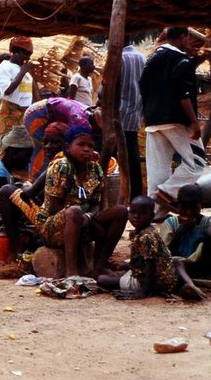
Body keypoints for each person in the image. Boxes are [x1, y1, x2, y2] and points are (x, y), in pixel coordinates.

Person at [34, 125, 127, 277]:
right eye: (81, 144)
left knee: (121, 212)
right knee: (74, 211)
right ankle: (72, 272)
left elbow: (96, 204)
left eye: (90, 146)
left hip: (84, 218)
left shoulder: (95, 169)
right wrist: (80, 217)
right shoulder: (61, 167)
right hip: (53, 226)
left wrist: (89, 217)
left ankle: (99, 266)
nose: (87, 149)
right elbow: (54, 208)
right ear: (68, 147)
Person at [140, 27, 207, 211]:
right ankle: (168, 193)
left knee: (158, 170)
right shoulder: (181, 60)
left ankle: (154, 215)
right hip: (175, 120)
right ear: (184, 37)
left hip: (153, 120)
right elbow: (182, 94)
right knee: (197, 162)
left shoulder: (152, 59)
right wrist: (194, 122)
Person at [97, 196, 177, 298]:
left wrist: (144, 292)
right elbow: (145, 260)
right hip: (159, 278)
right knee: (114, 275)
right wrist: (126, 266)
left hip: (155, 282)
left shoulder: (146, 236)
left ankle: (143, 288)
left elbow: (150, 265)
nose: (136, 216)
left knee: (102, 280)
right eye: (132, 212)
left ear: (151, 216)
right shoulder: (144, 231)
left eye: (142, 213)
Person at [161, 183, 211, 302]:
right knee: (176, 262)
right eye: (184, 207)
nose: (188, 212)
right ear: (177, 205)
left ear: (202, 205)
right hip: (182, 267)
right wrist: (179, 233)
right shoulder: (171, 223)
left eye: (193, 208)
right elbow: (164, 254)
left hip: (204, 265)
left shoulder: (207, 222)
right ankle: (191, 286)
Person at [22, 96, 91, 178]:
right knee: (46, 152)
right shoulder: (80, 121)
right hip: (36, 114)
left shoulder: (88, 116)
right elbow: (72, 146)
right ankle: (38, 180)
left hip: (48, 112)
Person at [118, 45, 146, 199]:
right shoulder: (142, 58)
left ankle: (119, 193)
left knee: (115, 153)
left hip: (119, 111)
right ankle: (136, 194)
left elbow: (108, 85)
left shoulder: (118, 57)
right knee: (133, 153)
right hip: (135, 109)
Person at [0, 37, 36, 138]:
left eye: (29, 55)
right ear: (16, 52)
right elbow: (7, 91)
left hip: (25, 114)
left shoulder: (24, 69)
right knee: (11, 149)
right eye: (26, 54)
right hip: (11, 114)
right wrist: (22, 73)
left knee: (26, 150)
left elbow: (33, 92)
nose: (28, 58)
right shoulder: (5, 66)